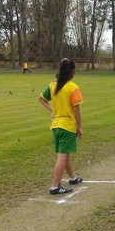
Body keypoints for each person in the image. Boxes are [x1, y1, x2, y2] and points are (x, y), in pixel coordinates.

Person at [38, 58, 84, 195]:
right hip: (67, 126)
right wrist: (79, 126)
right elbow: (76, 109)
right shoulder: (72, 87)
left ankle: (73, 178)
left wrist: (53, 110)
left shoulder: (53, 85)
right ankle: (55, 186)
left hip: (56, 126)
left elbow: (41, 98)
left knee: (65, 154)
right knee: (62, 156)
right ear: (72, 71)